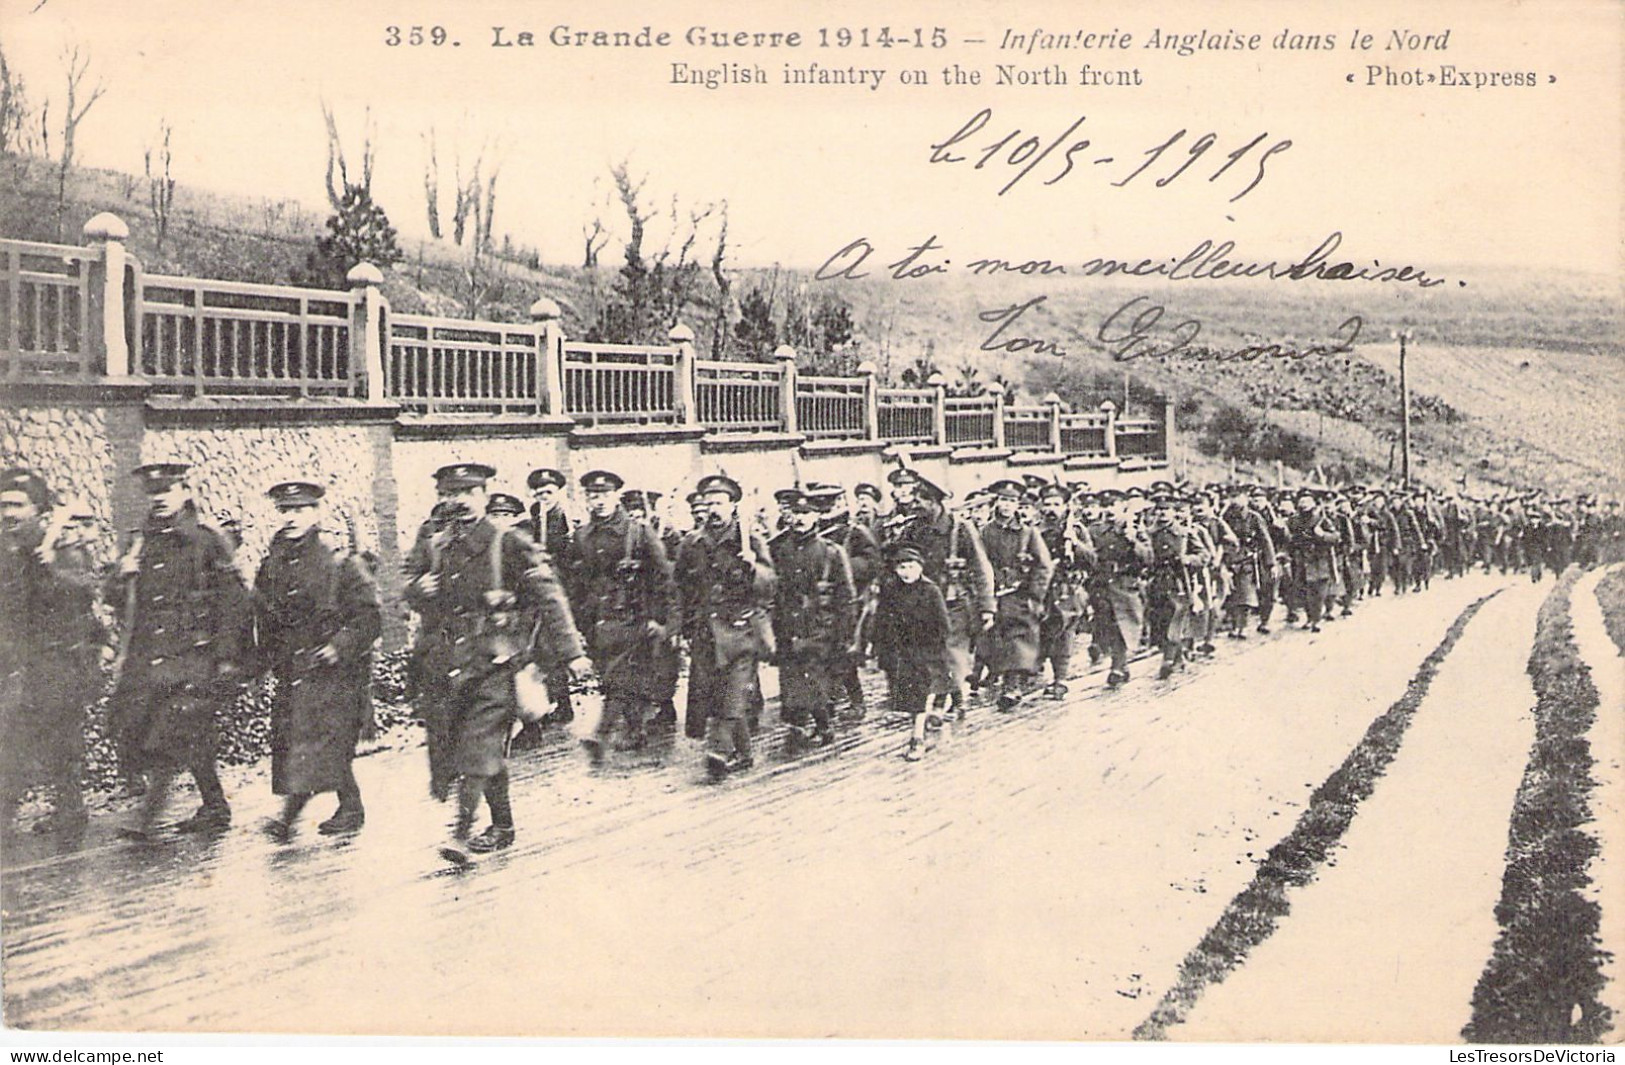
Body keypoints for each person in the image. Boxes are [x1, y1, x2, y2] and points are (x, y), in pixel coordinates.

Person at [405, 462, 590, 863]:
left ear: (484, 496)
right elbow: (408, 587)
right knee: (472, 748)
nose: (459, 502)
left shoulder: (507, 542)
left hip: (497, 660)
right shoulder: (434, 544)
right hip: (449, 664)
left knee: (479, 743)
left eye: (468, 493)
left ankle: (460, 833)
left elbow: (549, 595)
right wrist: (418, 589)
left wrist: (572, 652)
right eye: (451, 494)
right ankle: (502, 824)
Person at [108, 463, 250, 840]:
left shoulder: (206, 540)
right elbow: (122, 602)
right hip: (151, 659)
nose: (158, 498)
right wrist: (122, 575)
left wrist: (225, 658)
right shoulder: (140, 542)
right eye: (153, 492)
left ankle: (148, 816)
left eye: (167, 490)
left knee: (173, 731)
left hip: (194, 657)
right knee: (186, 735)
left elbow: (234, 603)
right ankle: (216, 806)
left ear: (185, 491)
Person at [252, 481, 381, 842]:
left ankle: (288, 820)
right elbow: (264, 616)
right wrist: (261, 662)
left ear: (316, 514)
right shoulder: (272, 564)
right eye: (285, 511)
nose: (292, 518)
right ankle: (350, 807)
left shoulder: (338, 562)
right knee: (309, 741)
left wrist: (339, 646)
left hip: (332, 673)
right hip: (292, 669)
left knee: (317, 743)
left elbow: (369, 618)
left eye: (300, 510)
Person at [0, 469, 105, 836]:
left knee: (61, 742)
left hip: (60, 661)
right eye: (4, 505)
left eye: (17, 505)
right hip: (20, 663)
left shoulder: (60, 547)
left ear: (38, 509)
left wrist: (52, 571)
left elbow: (87, 590)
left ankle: (70, 811)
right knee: (13, 740)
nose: (9, 513)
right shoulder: (6, 548)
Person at [569, 470, 679, 764]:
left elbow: (664, 578)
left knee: (622, 674)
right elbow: (577, 583)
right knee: (613, 677)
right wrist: (580, 623)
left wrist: (662, 619)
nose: (599, 501)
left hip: (635, 616)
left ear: (616, 496)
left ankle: (603, 731)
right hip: (600, 621)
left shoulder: (638, 532)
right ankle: (634, 727)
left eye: (604, 495)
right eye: (593, 495)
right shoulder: (582, 537)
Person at [673, 474, 775, 780]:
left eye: (719, 503)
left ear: (732, 505)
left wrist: (752, 565)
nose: (713, 509)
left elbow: (770, 584)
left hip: (742, 629)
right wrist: (679, 627)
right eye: (708, 503)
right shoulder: (692, 543)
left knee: (732, 694)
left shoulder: (750, 540)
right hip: (706, 632)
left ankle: (718, 750)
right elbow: (679, 586)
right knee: (716, 692)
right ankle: (743, 753)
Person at [881, 470, 994, 718]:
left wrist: (987, 606)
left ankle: (950, 700)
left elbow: (980, 566)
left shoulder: (959, 528)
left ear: (934, 501)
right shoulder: (913, 529)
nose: (916, 505)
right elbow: (898, 560)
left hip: (954, 601)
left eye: (921, 501)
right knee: (933, 653)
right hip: (924, 603)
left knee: (951, 652)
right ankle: (953, 697)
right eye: (914, 500)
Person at [770, 489, 856, 750]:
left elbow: (846, 595)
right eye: (796, 513)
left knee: (815, 677)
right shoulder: (778, 549)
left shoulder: (831, 552)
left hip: (821, 626)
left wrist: (845, 633)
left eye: (806, 513)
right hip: (788, 624)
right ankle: (798, 726)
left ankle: (824, 726)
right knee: (791, 676)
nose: (800, 519)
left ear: (816, 516)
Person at [977, 480, 1054, 710]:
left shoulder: (1028, 532)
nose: (1007, 505)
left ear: (1018, 504)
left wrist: (1035, 594)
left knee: (1018, 639)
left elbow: (1044, 565)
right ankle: (999, 679)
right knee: (995, 639)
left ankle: (1013, 687)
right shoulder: (985, 531)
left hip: (1019, 594)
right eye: (1003, 500)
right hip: (994, 593)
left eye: (1012, 501)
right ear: (996, 502)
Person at [871, 546, 952, 763]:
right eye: (902, 567)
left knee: (918, 695)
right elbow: (881, 619)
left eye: (911, 567)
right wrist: (879, 644)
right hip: (898, 651)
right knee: (906, 695)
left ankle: (917, 738)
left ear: (920, 568)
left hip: (924, 651)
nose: (907, 572)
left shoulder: (930, 590)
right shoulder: (890, 590)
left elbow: (943, 625)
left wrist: (932, 647)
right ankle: (926, 718)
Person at [523, 467, 577, 732]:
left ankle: (563, 703)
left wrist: (556, 563)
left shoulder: (565, 519)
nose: (544, 497)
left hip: (559, 589)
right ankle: (546, 702)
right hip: (536, 594)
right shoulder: (533, 517)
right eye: (539, 492)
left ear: (558, 493)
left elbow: (574, 557)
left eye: (549, 492)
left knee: (554, 649)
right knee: (539, 649)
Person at [1085, 489, 1151, 687]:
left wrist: (1133, 542)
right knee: (1105, 624)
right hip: (1102, 583)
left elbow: (1148, 557)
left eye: (1114, 505)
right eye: (1105, 506)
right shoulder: (1095, 530)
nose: (1109, 510)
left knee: (1122, 624)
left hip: (1125, 583)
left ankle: (1118, 665)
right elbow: (1089, 556)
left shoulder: (1135, 529)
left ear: (1123, 506)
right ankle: (1120, 664)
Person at [1036, 483, 1095, 698]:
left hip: (1067, 587)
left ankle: (1060, 679)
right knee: (1041, 631)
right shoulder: (1034, 529)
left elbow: (1091, 559)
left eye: (1056, 504)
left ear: (1065, 506)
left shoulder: (1076, 529)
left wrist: (1074, 543)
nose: (1051, 509)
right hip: (1041, 587)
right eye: (1047, 504)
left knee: (1065, 632)